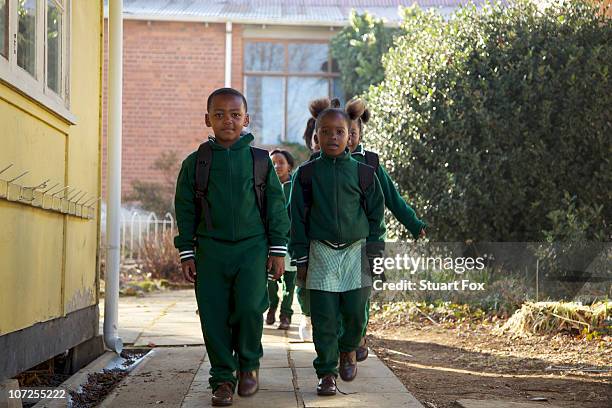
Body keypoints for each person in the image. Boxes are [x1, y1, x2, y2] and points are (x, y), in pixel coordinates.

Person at [174, 88, 290, 407]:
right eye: (220, 114)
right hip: (210, 250)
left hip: (253, 249)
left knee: (252, 308)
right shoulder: (196, 163)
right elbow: (185, 209)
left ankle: (249, 365)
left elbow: (276, 209)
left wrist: (277, 250)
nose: (228, 120)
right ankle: (223, 378)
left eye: (235, 114)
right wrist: (187, 251)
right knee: (213, 315)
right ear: (207, 119)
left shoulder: (260, 161)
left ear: (246, 119)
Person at [289, 97, 386, 396]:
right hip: (320, 252)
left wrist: (374, 253)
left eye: (340, 132)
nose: (333, 137)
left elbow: (376, 214)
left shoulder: (364, 173)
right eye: (326, 132)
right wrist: (301, 258)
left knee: (357, 312)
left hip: (356, 252)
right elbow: (297, 219)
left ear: (351, 135)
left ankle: (348, 350)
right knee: (324, 317)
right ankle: (327, 373)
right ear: (316, 136)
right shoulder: (305, 175)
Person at [344, 98, 427, 361]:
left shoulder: (371, 163)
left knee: (361, 293)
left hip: (369, 241)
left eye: (352, 133)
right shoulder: (322, 164)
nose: (346, 139)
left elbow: (393, 198)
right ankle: (342, 339)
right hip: (335, 241)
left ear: (359, 133)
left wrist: (414, 223)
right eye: (340, 132)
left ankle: (358, 336)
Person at [266, 149, 297, 330]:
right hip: (271, 242)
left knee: (290, 282)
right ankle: (271, 306)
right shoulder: (266, 185)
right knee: (270, 280)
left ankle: (286, 315)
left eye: (281, 162)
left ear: (290, 165)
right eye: (273, 163)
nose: (277, 166)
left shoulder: (296, 185)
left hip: (291, 242)